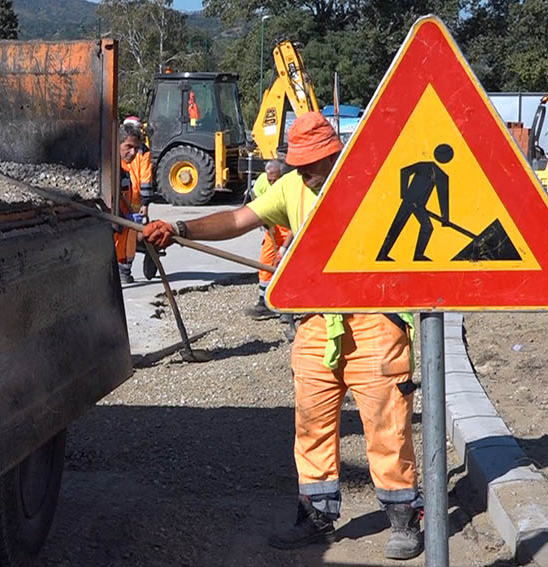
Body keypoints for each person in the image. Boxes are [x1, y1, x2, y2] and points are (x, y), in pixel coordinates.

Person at [142, 112, 424, 561]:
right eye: (299, 164)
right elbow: (239, 219)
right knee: (311, 425)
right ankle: (316, 516)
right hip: (315, 321)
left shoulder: (368, 179)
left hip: (374, 320)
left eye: (313, 163)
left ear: (334, 153)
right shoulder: (293, 187)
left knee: (386, 423)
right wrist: (180, 229)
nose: (305, 172)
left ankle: (403, 516)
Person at [244, 160, 291, 321]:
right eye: (270, 180)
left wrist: (284, 248)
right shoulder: (262, 182)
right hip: (273, 227)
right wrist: (262, 219)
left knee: (288, 265)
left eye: (275, 179)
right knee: (266, 262)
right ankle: (264, 303)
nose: (272, 183)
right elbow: (256, 201)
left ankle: (288, 306)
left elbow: (296, 223)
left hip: (290, 228)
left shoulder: (290, 186)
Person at [117, 122, 152, 283]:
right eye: (129, 147)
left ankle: (124, 269)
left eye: (136, 149)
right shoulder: (114, 169)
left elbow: (146, 177)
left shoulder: (126, 169)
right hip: (123, 214)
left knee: (129, 238)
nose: (133, 152)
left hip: (133, 203)